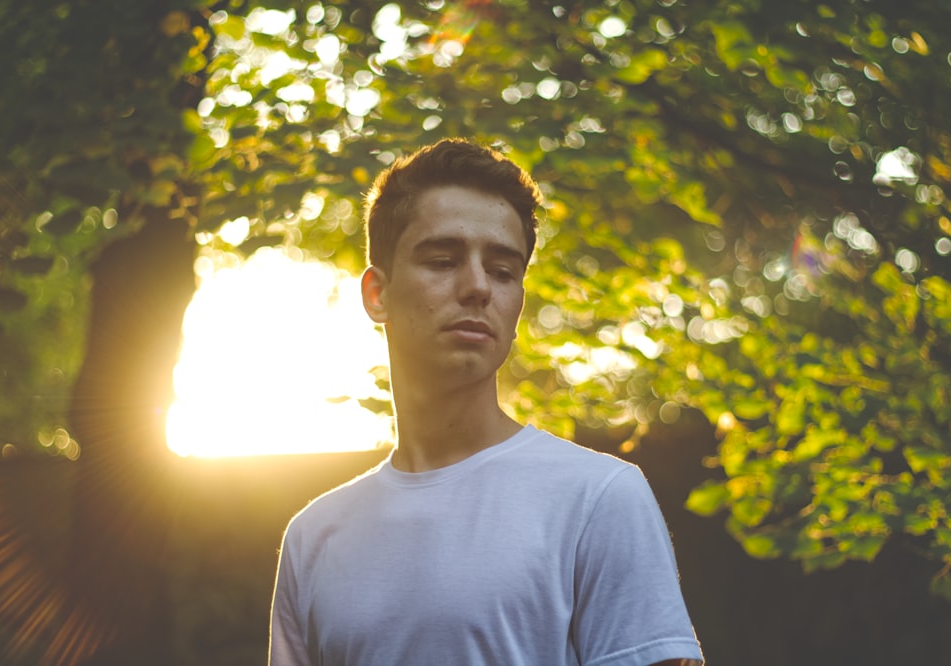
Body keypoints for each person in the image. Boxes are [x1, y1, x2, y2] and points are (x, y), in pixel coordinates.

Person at [268, 139, 704, 666]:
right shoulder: (314, 537)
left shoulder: (598, 499)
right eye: (443, 260)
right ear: (376, 294)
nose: (477, 287)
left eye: (503, 271)